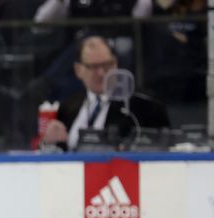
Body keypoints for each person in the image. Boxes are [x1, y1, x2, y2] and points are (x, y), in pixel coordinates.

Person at [40, 36, 170, 151]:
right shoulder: (67, 107)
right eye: (93, 67)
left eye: (106, 65)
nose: (101, 73)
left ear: (115, 64)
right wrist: (48, 143)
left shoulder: (143, 107)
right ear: (78, 70)